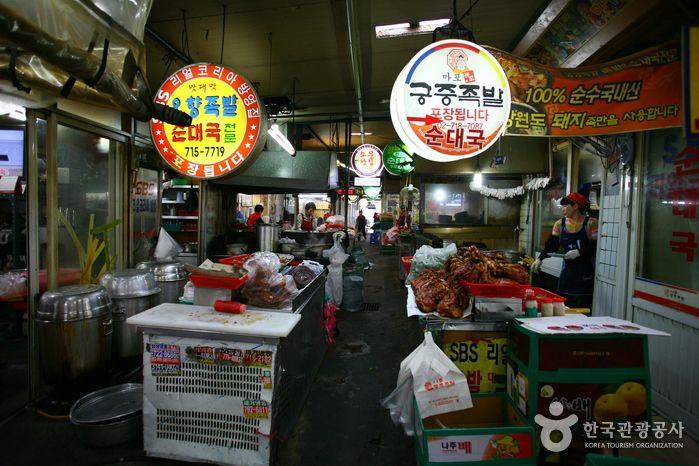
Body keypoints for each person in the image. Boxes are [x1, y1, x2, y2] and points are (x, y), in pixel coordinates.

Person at [531, 192, 598, 309]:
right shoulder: (559, 224)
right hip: (567, 274)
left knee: (584, 309)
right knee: (565, 308)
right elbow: (551, 245)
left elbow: (596, 247)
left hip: (586, 276)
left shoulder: (591, 223)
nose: (563, 209)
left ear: (576, 206)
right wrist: (540, 259)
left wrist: (579, 252)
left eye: (566, 206)